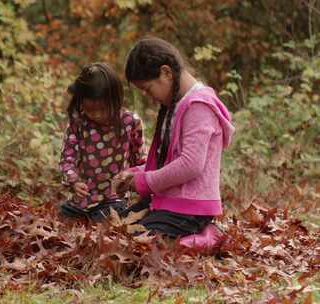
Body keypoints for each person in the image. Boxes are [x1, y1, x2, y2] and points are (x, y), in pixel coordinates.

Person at [112, 37, 235, 239]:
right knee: (117, 228)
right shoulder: (176, 105)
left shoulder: (198, 106)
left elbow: (190, 164)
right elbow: (170, 162)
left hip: (190, 209)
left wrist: (144, 181)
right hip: (169, 202)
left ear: (166, 73)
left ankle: (205, 238)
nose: (148, 96)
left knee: (138, 241)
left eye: (147, 88)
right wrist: (134, 174)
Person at [59, 62, 146, 221]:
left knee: (106, 221)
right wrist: (74, 181)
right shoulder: (78, 123)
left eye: (104, 109)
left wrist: (134, 181)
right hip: (83, 200)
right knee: (62, 216)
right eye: (91, 110)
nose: (97, 115)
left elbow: (140, 159)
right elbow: (67, 159)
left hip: (113, 199)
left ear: (116, 100)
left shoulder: (130, 122)